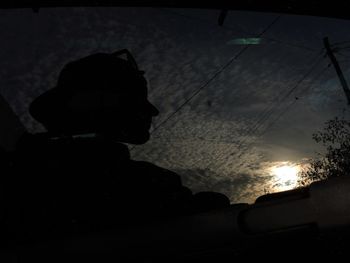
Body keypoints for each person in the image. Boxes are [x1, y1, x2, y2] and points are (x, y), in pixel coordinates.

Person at [8, 49, 230, 244]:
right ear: (91, 100)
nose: (150, 113)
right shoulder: (143, 184)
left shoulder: (23, 166)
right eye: (130, 98)